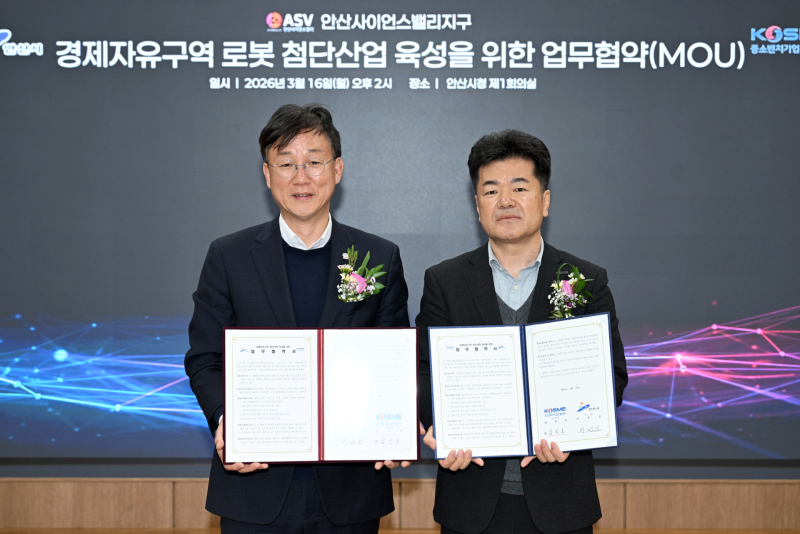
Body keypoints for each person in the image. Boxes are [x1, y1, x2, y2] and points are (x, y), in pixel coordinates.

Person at [185, 104, 411, 534]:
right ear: (267, 174)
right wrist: (226, 419)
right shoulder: (229, 257)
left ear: (337, 169)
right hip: (255, 487)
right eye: (286, 164)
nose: (301, 177)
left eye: (314, 162)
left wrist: (397, 421)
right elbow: (205, 358)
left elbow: (396, 360)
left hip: (350, 490)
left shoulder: (378, 257)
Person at [416, 130, 628, 534]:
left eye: (519, 187)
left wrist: (572, 431)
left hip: (561, 502)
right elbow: (424, 371)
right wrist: (440, 428)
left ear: (544, 201)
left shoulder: (585, 279)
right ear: (477, 205)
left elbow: (612, 377)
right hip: (471, 499)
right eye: (491, 190)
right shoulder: (445, 280)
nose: (505, 201)